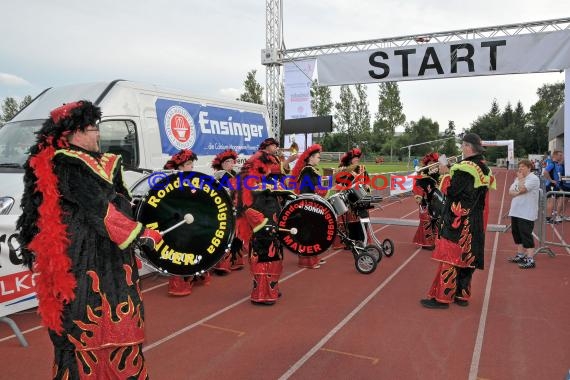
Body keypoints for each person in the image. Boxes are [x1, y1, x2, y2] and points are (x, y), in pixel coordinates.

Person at [16, 101, 162, 378]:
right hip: (82, 261)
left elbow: (120, 203)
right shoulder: (66, 164)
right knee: (84, 328)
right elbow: (101, 208)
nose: (99, 134)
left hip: (114, 259)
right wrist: (140, 233)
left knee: (121, 324)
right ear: (77, 132)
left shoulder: (102, 161)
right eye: (94, 128)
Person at [420, 133, 495, 309]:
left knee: (450, 256)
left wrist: (446, 173)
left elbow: (452, 191)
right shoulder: (484, 168)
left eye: (463, 145)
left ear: (468, 147)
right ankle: (462, 295)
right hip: (474, 220)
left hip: (458, 219)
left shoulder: (464, 167)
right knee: (466, 257)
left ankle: (442, 298)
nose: (461, 148)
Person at [235, 137, 296, 305]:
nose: (277, 148)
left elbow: (278, 174)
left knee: (274, 254)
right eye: (274, 146)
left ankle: (271, 288)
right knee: (264, 255)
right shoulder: (257, 163)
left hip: (270, 214)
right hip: (262, 219)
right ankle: (262, 294)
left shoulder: (266, 170)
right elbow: (249, 200)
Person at [163, 149, 212, 296]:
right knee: (182, 251)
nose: (191, 166)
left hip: (191, 220)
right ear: (180, 167)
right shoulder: (173, 181)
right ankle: (180, 284)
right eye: (189, 164)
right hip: (180, 223)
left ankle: (195, 276)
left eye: (191, 164)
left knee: (196, 247)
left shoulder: (190, 179)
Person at [291, 144, 328, 269]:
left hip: (311, 203)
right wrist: (324, 190)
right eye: (318, 157)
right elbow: (312, 189)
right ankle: (307, 261)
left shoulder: (310, 170)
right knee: (308, 232)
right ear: (311, 158)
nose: (319, 159)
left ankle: (314, 257)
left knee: (313, 231)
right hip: (308, 204)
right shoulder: (308, 171)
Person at [211, 149, 245, 273]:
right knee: (227, 236)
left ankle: (236, 261)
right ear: (222, 164)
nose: (231, 163)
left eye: (232, 161)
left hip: (237, 209)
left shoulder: (235, 174)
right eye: (228, 161)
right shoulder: (220, 176)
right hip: (226, 210)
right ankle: (223, 265)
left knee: (237, 236)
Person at [507, 160, 541, 269]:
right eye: (519, 166)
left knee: (526, 235)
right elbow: (510, 191)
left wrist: (520, 182)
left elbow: (522, 189)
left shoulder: (533, 179)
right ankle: (521, 255)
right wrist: (518, 187)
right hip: (516, 210)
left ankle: (530, 259)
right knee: (516, 234)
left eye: (522, 166)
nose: (520, 169)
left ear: (529, 168)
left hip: (526, 212)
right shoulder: (518, 178)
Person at [412, 152, 441, 250]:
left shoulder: (438, 174)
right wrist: (419, 196)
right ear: (427, 163)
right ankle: (427, 243)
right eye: (431, 163)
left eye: (435, 162)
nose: (433, 164)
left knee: (436, 221)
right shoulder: (422, 175)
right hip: (425, 202)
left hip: (436, 202)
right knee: (426, 222)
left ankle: (435, 241)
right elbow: (417, 187)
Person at [543, 150, 564, 224]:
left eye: (561, 155)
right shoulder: (552, 164)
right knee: (551, 201)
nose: (561, 157)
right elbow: (545, 172)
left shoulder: (557, 164)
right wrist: (551, 180)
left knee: (559, 199)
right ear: (555, 156)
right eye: (560, 155)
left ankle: (552, 217)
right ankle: (548, 219)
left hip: (556, 186)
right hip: (551, 185)